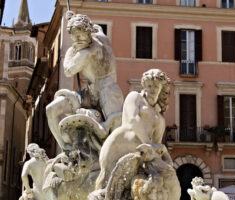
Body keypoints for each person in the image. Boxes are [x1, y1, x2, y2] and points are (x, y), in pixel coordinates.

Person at [46, 11, 124, 151]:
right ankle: (66, 147)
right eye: (73, 37)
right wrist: (74, 19)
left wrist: (71, 50)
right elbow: (97, 28)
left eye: (80, 35)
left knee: (115, 135)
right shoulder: (100, 36)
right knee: (51, 109)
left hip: (108, 93)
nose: (77, 41)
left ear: (88, 33)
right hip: (88, 93)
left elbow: (68, 71)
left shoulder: (87, 52)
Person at [95, 69, 170, 190]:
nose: (152, 89)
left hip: (138, 156)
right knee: (106, 187)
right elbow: (133, 119)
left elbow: (157, 145)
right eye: (149, 85)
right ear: (144, 85)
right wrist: (148, 144)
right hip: (117, 147)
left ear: (161, 88)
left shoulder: (160, 118)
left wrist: (161, 154)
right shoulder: (135, 97)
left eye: (156, 86)